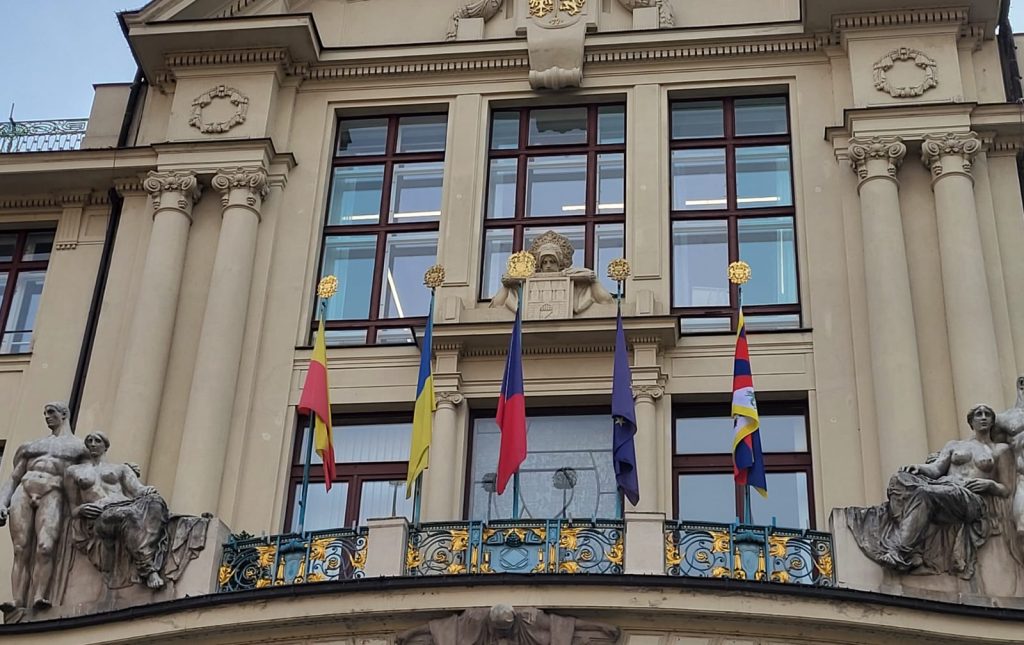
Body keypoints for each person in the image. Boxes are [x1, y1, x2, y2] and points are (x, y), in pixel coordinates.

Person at [847, 404, 1012, 579]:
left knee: (925, 494)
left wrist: (989, 485)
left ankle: (901, 551)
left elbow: (1007, 488)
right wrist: (918, 468)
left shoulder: (1000, 450)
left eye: (987, 414)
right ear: (971, 422)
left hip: (970, 498)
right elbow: (936, 469)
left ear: (993, 421)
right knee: (898, 481)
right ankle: (912, 543)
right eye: (979, 414)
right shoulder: (954, 445)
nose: (983, 417)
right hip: (945, 487)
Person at [0, 402, 87, 613]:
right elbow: (14, 476)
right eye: (45, 413)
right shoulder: (31, 445)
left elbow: (89, 476)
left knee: (45, 547)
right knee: (21, 548)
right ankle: (18, 600)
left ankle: (40, 595)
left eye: (51, 412)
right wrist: (2, 501)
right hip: (24, 490)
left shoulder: (78, 447)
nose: (47, 417)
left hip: (53, 490)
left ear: (64, 414)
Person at [64, 432, 170, 590]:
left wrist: (148, 490)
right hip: (100, 515)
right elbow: (72, 508)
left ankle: (146, 557)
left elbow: (138, 490)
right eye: (90, 441)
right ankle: (148, 570)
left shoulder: (121, 468)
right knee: (128, 515)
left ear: (105, 446)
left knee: (155, 502)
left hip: (125, 505)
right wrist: (81, 509)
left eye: (97, 440)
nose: (93, 444)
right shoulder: (74, 471)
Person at [489, 230, 613, 315]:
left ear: (560, 263)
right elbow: (495, 307)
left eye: (552, 261)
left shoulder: (576, 283)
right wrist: (507, 285)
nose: (548, 266)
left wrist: (593, 279)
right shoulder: (522, 286)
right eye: (544, 262)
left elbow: (606, 301)